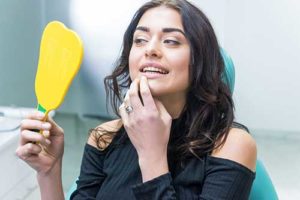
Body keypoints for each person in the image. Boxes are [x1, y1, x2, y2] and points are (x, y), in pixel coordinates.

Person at [16, 0, 257, 199]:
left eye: (171, 41)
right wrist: (49, 172)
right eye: (140, 40)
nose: (150, 49)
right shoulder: (104, 139)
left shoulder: (230, 145)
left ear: (200, 61)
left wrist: (152, 155)